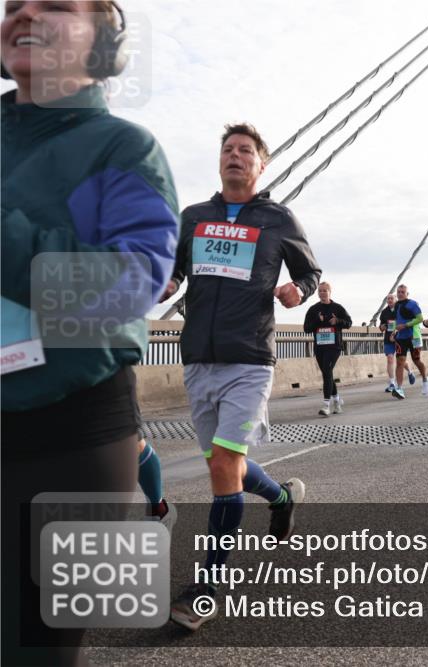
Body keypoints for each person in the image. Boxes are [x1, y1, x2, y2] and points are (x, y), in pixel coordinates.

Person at [1, 2, 179, 661]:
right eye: (12, 4)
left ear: (103, 39)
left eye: (53, 3)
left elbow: (130, 285)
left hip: (75, 439)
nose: (23, 13)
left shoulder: (126, 148)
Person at [159, 122, 321, 630]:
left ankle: (205, 585)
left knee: (225, 464)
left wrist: (301, 290)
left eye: (245, 150)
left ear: (261, 164)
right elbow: (178, 271)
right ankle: (282, 496)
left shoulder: (278, 218)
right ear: (220, 160)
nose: (235, 156)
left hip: (250, 358)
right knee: (222, 466)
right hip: (198, 358)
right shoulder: (195, 217)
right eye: (228, 149)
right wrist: (166, 283)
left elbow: (311, 273)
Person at [303, 281, 352, 415]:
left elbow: (349, 323)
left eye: (325, 290)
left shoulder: (338, 308)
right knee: (327, 373)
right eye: (320, 291)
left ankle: (326, 405)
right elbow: (306, 328)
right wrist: (317, 321)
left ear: (330, 292)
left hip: (334, 346)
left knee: (327, 370)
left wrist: (338, 321)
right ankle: (337, 400)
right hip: (320, 347)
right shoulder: (313, 309)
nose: (322, 293)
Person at [390, 284, 428, 399]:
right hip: (401, 337)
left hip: (414, 336)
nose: (400, 293)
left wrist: (406, 325)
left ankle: (425, 379)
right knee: (400, 362)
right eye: (399, 291)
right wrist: (394, 332)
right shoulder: (397, 305)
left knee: (416, 360)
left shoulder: (412, 304)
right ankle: (399, 388)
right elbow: (397, 321)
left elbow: (420, 318)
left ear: (407, 293)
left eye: (403, 292)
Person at [379, 293, 415, 393]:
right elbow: (381, 326)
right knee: (390, 359)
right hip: (388, 339)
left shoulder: (401, 309)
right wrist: (382, 327)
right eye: (388, 299)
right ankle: (392, 383)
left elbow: (406, 322)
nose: (389, 300)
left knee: (400, 360)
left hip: (400, 338)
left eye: (391, 298)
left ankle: (410, 372)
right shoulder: (384, 312)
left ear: (395, 299)